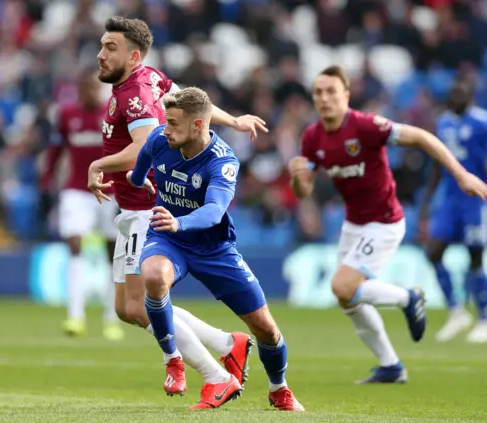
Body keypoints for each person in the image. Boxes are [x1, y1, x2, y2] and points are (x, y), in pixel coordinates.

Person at [88, 17, 268, 396]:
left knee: (140, 306)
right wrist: (233, 119)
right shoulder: (149, 76)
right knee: (127, 309)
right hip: (130, 208)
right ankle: (225, 343)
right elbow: (192, 102)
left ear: (133, 55)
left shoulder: (134, 93)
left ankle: (216, 375)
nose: (101, 55)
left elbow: (143, 146)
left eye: (110, 48)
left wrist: (99, 164)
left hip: (144, 209)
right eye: (102, 46)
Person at [289, 65, 487, 383]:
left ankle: (409, 298)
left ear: (346, 95)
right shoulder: (312, 136)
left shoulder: (366, 126)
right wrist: (298, 177)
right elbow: (305, 191)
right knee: (348, 301)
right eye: (318, 92)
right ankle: (391, 366)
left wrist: (462, 174)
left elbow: (423, 137)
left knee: (341, 286)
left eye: (331, 91)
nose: (324, 98)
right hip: (353, 224)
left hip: (383, 222)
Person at [127, 87, 304, 411]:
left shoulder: (222, 161)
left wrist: (180, 222)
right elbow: (142, 162)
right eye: (166, 122)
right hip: (168, 238)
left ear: (198, 125)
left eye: (174, 124)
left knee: (265, 327)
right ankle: (173, 361)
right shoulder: (158, 139)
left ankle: (279, 388)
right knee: (153, 276)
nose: (166, 130)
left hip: (213, 248)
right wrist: (138, 179)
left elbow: (214, 212)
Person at [420, 81, 487, 344]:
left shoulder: (485, 121)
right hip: (449, 199)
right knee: (432, 253)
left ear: (471, 96)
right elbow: (438, 162)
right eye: (451, 94)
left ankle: (484, 320)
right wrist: (427, 199)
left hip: (476, 200)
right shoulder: (443, 122)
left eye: (459, 94)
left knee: (476, 258)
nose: (453, 98)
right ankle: (457, 312)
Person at [41, 68, 122, 340]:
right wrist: (47, 178)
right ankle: (75, 316)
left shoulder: (111, 115)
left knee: (114, 253)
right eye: (85, 87)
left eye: (94, 87)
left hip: (109, 190)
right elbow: (56, 149)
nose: (90, 92)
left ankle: (112, 318)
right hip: (77, 190)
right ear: (78, 89)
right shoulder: (67, 116)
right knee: (74, 244)